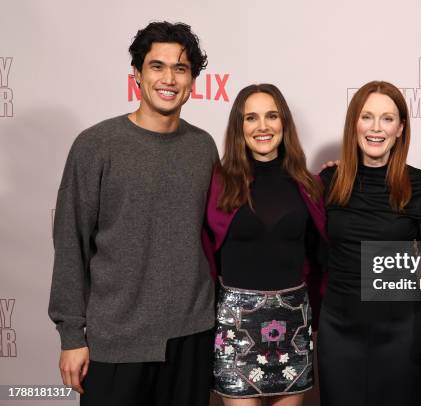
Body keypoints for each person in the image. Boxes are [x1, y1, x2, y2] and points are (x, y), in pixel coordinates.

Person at [48, 22, 218, 406]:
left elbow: (219, 233)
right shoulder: (96, 145)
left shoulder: (203, 147)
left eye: (181, 68)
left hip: (191, 338)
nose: (169, 78)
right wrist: (72, 336)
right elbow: (70, 242)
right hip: (118, 341)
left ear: (193, 80)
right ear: (138, 75)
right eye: (157, 66)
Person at [203, 83, 326, 406]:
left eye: (271, 116)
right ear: (239, 127)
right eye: (251, 118)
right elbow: (202, 255)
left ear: (283, 122)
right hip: (235, 329)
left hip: (294, 327)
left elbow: (321, 254)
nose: (262, 126)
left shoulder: (310, 185)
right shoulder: (218, 182)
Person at [317, 81, 421, 405]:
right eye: (367, 117)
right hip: (338, 329)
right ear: (353, 123)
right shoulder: (328, 183)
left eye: (387, 118)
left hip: (401, 333)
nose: (376, 128)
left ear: (400, 128)